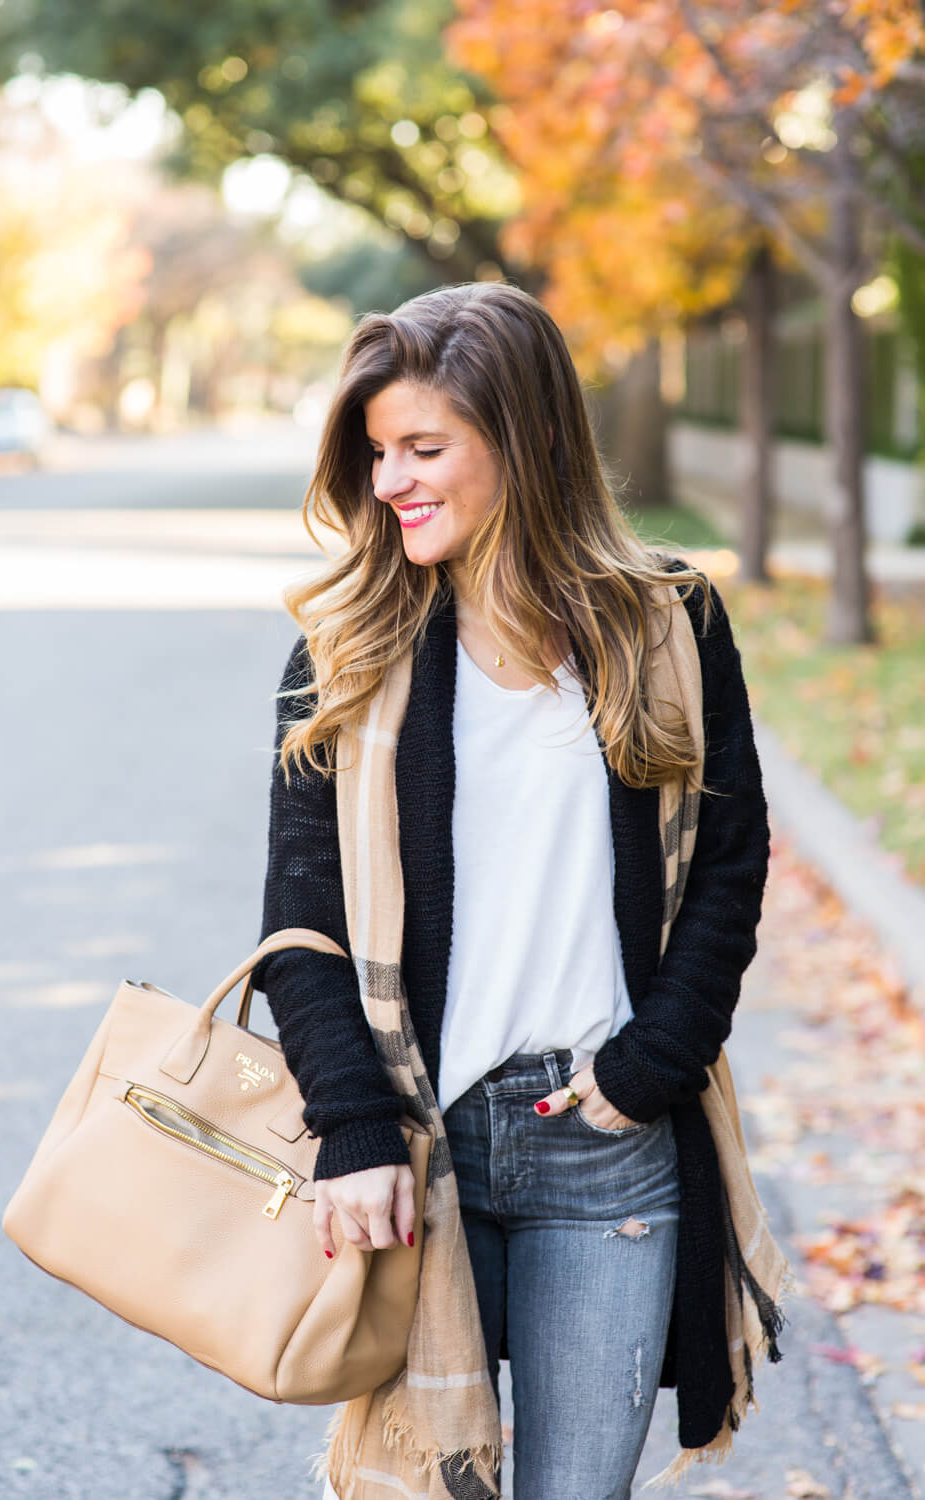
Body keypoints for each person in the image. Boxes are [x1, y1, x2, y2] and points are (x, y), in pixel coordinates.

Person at [251, 281, 774, 1499]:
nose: (390, 482)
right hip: (416, 1150)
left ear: (524, 440)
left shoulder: (668, 623)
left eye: (423, 448)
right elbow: (297, 920)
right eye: (378, 453)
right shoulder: (343, 653)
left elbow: (728, 866)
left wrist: (651, 1068)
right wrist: (355, 1126)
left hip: (605, 1140)